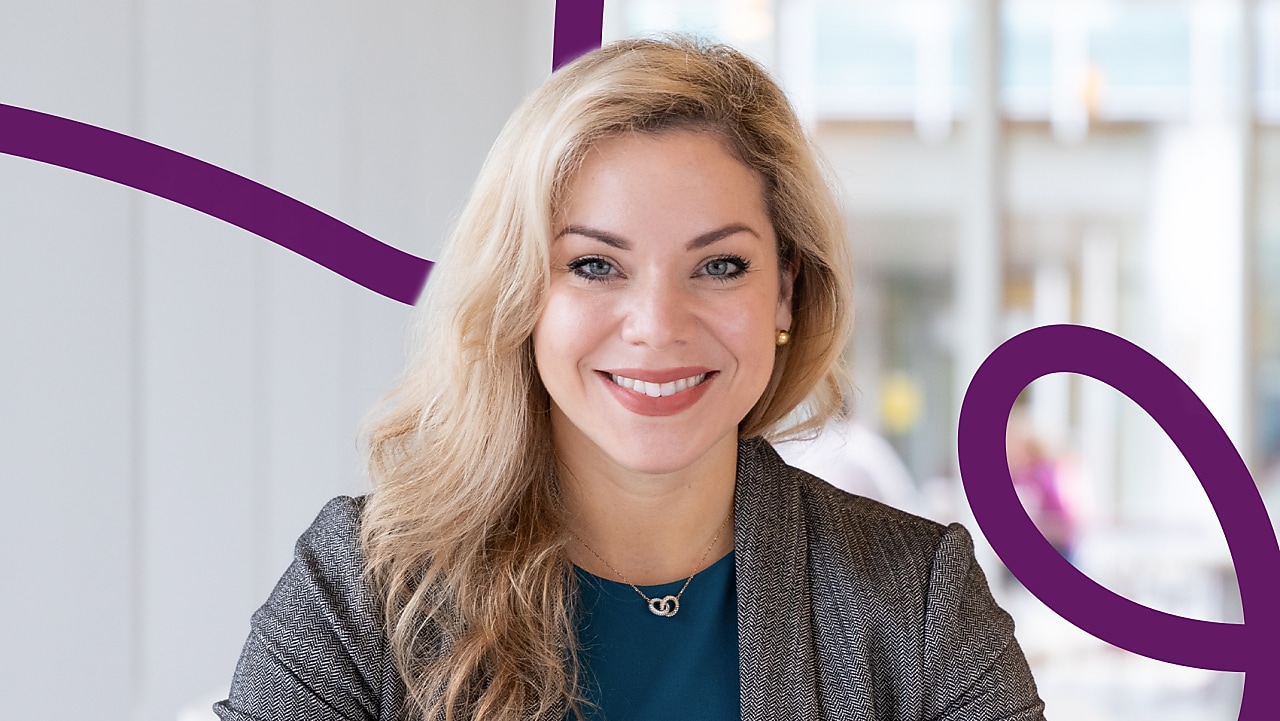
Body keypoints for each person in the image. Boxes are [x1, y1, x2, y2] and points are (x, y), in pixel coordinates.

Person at [214, 36, 1046, 721]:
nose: (658, 323)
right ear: (522, 291)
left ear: (785, 288)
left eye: (720, 264)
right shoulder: (363, 592)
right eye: (595, 264)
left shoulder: (918, 600)